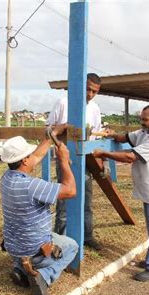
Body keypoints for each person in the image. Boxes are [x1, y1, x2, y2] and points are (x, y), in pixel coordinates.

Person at [93, 104, 149, 282]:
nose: (141, 122)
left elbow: (130, 157)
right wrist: (113, 135)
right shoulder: (144, 133)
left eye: (145, 120)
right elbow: (126, 137)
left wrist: (104, 153)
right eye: (141, 119)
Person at [0, 127, 78, 295]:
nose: (33, 157)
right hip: (36, 250)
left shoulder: (6, 178)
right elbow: (70, 191)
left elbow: (34, 157)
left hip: (14, 247)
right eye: (29, 155)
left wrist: (51, 136)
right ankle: (43, 274)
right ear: (24, 160)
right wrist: (64, 161)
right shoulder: (32, 186)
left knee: (30, 241)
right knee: (72, 246)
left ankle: (20, 268)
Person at [47, 73, 103, 250]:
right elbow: (48, 129)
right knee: (64, 202)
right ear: (80, 86)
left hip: (86, 160)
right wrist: (60, 143)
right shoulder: (64, 103)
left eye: (94, 91)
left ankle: (87, 236)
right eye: (88, 89)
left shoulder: (94, 109)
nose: (90, 94)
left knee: (86, 199)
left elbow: (96, 133)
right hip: (67, 160)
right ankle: (59, 240)